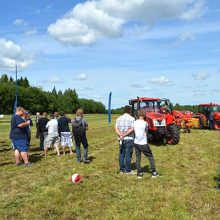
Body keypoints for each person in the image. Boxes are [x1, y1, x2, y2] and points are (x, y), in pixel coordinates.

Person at [133, 109, 159, 178]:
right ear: (144, 115)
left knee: (138, 158)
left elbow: (134, 132)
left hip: (136, 143)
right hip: (143, 143)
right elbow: (146, 134)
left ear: (138, 114)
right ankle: (154, 173)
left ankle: (139, 174)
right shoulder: (145, 123)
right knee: (150, 157)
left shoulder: (134, 122)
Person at [115, 105, 135, 174]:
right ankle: (128, 170)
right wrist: (124, 135)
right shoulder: (132, 118)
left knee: (121, 154)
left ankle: (122, 170)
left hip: (121, 139)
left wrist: (121, 135)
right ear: (129, 111)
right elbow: (132, 129)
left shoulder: (118, 118)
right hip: (129, 139)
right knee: (128, 155)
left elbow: (116, 128)